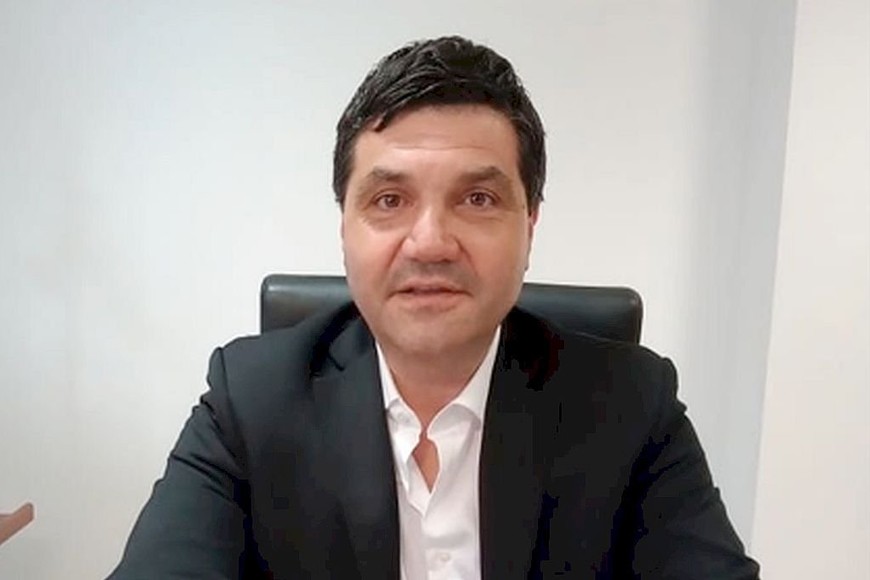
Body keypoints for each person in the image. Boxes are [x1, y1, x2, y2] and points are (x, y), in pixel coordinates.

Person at [109, 36, 760, 579]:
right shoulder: (249, 402)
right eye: (389, 201)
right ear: (345, 227)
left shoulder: (630, 406)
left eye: (477, 199)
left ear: (530, 226)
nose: (429, 243)